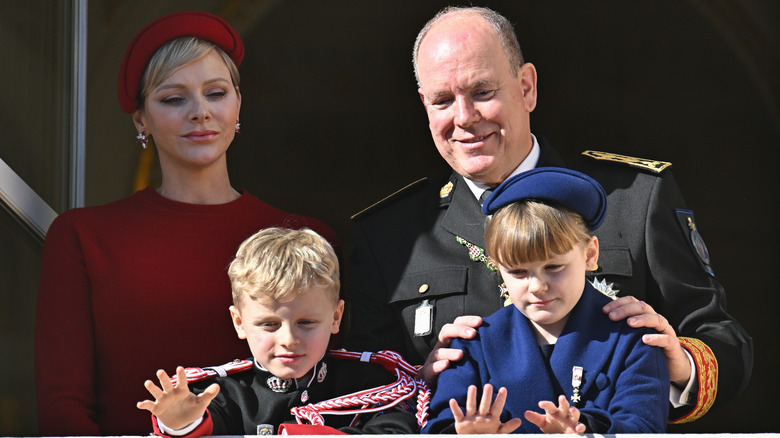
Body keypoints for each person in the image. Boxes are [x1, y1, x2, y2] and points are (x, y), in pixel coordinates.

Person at [345, 5, 752, 424]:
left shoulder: (634, 199)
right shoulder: (390, 236)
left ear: (526, 87)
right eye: (443, 100)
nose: (464, 118)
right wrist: (416, 381)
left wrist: (677, 362)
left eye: (483, 92)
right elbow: (356, 386)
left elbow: (725, 343)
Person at [35, 11, 338, 435]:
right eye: (173, 99)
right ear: (141, 119)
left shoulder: (304, 237)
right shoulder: (84, 237)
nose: (200, 112)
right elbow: (62, 405)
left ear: (238, 104)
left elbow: (340, 390)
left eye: (215, 93)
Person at [422, 167, 668, 434]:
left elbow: (644, 427)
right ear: (497, 268)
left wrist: (586, 428)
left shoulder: (633, 339)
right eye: (517, 272)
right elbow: (439, 423)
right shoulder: (473, 345)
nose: (538, 287)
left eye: (553, 267)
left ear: (590, 254)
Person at [137, 227, 423, 436]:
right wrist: (181, 422)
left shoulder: (372, 385)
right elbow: (205, 426)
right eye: (269, 324)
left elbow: (396, 429)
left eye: (306, 323)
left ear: (336, 317)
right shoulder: (224, 393)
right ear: (239, 322)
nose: (289, 340)